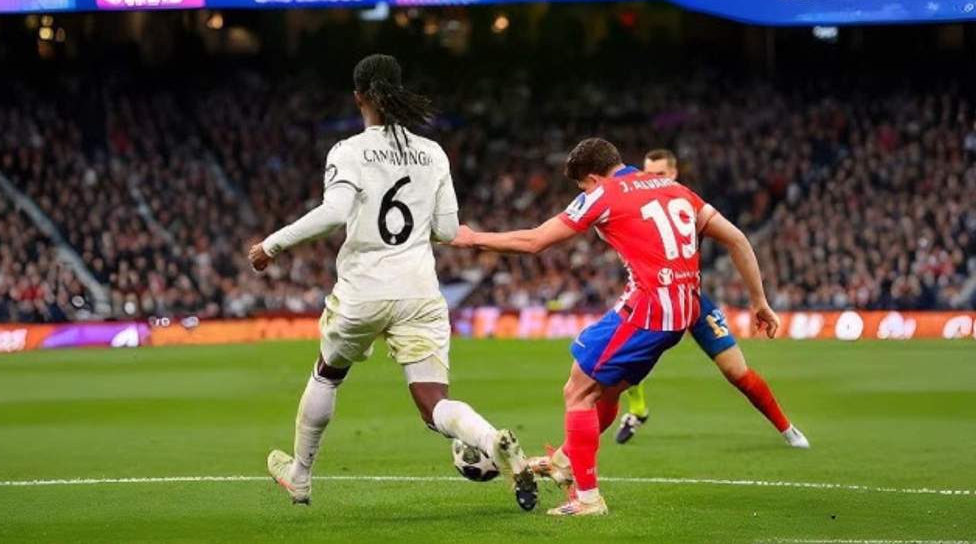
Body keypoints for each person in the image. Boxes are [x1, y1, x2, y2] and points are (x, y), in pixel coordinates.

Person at [248, 54, 538, 511]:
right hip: (420, 291)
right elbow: (445, 231)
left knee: (328, 372)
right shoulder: (433, 153)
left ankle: (300, 477)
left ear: (359, 96)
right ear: (399, 91)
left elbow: (335, 213)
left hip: (364, 288)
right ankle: (490, 439)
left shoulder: (348, 150)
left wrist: (272, 245)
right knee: (432, 402)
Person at [451, 138, 780, 516]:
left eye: (582, 187)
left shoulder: (604, 193)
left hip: (650, 310)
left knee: (578, 389)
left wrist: (474, 238)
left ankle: (588, 498)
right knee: (605, 393)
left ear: (591, 177)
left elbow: (536, 241)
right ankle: (565, 462)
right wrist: (758, 300)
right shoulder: (675, 188)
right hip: (684, 310)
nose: (584, 194)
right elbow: (737, 238)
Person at [614, 150, 809, 449]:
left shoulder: (688, 204)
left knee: (736, 371)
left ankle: (787, 429)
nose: (653, 181)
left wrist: (758, 299)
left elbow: (735, 239)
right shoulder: (636, 208)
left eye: (661, 175)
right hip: (653, 300)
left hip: (691, 300)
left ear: (675, 173)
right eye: (648, 175)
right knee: (619, 361)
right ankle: (636, 411)